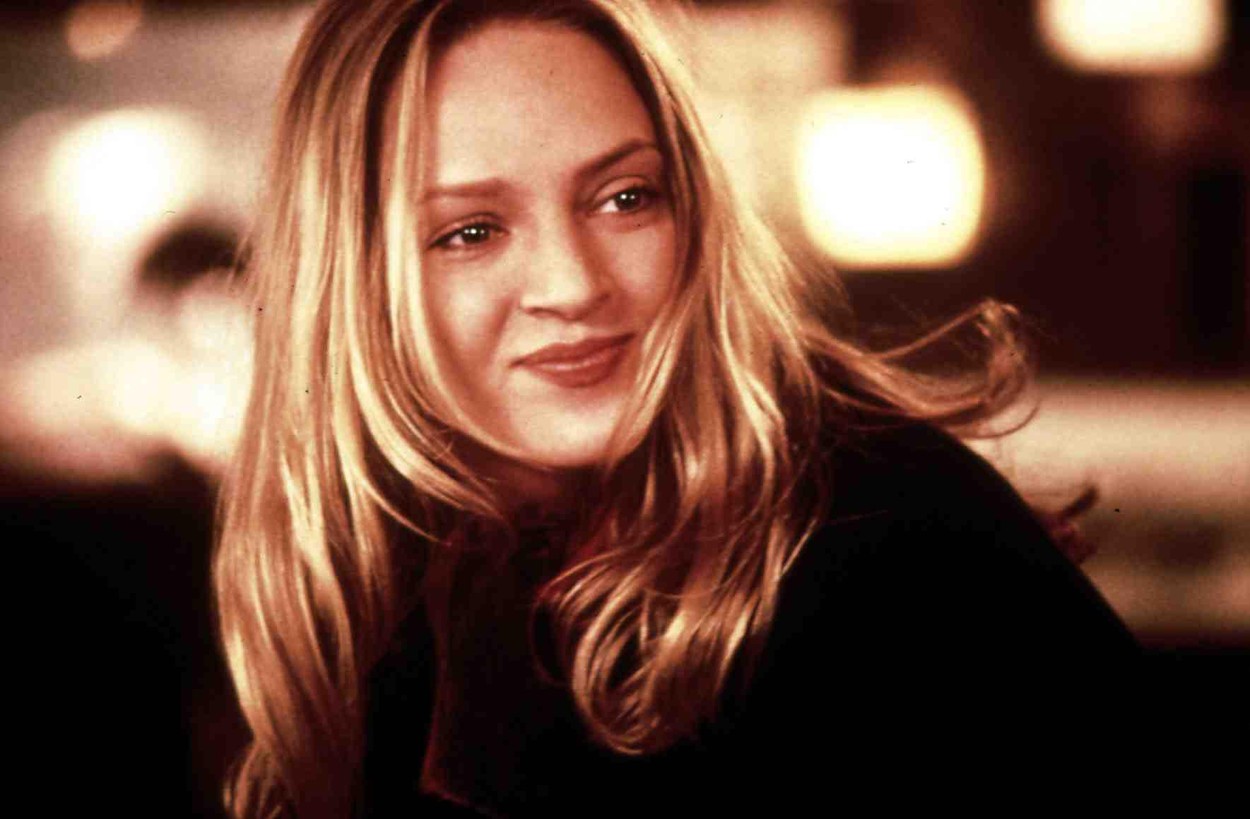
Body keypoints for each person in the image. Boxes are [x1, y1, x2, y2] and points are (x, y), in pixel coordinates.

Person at [213, 2, 1142, 817]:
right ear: (349, 277)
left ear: (691, 212)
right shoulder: (411, 581)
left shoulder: (887, 542)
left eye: (625, 198)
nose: (573, 284)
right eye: (472, 231)